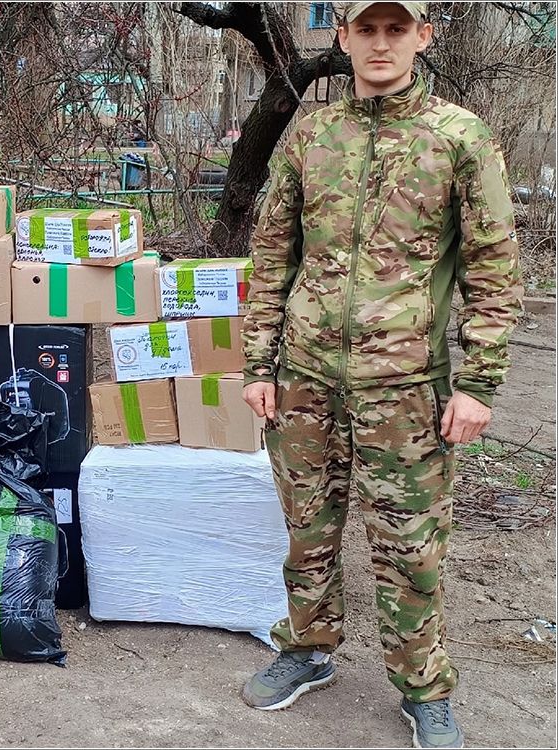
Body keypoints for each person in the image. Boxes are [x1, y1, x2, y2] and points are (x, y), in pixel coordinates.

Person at [239, 2, 523, 748]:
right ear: (342, 36)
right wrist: (259, 363)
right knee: (308, 531)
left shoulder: (458, 137)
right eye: (366, 28)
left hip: (405, 387)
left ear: (423, 36)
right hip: (305, 378)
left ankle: (423, 687)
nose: (381, 43)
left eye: (397, 29)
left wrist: (478, 383)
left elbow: (494, 270)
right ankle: (307, 649)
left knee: (410, 547)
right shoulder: (313, 133)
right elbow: (272, 255)